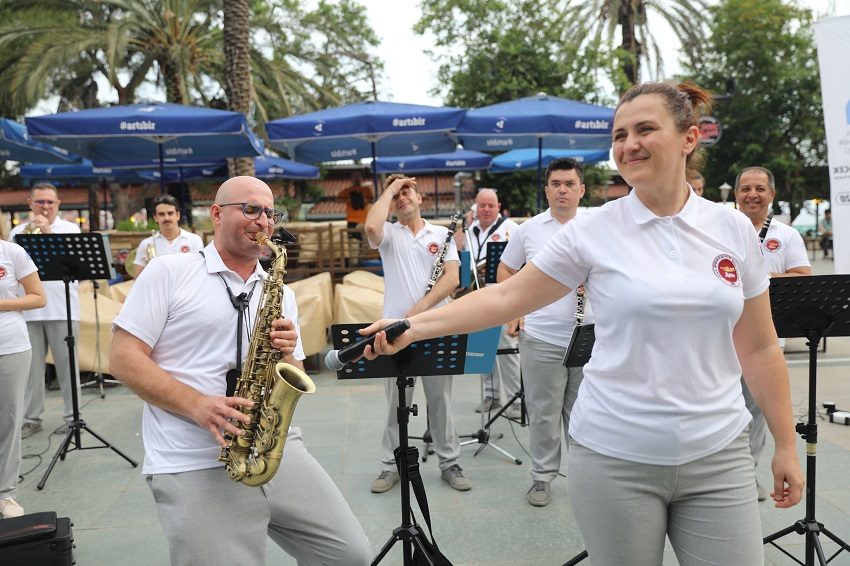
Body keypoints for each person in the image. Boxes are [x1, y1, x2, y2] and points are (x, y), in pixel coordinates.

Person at [362, 82, 804, 564]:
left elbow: (760, 347)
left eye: (645, 129)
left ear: (688, 139)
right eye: (619, 134)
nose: (628, 144)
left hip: (720, 454)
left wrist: (785, 442)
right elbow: (506, 295)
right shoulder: (594, 229)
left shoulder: (732, 227)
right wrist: (411, 326)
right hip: (616, 456)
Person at [109, 176, 372, 565]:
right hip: (192, 459)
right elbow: (122, 358)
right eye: (250, 209)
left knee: (351, 556)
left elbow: (293, 372)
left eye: (269, 212)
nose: (263, 221)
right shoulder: (169, 271)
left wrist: (285, 352)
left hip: (272, 448)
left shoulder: (280, 290)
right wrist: (198, 405)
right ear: (216, 214)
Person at [364, 174, 471, 494]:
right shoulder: (388, 234)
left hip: (435, 329)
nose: (401, 197)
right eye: (396, 194)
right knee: (396, 403)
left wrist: (415, 314)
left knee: (441, 402)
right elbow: (371, 227)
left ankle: (449, 460)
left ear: (421, 199)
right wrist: (391, 188)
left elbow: (452, 279)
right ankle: (390, 465)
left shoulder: (442, 233)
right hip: (394, 336)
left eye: (407, 191)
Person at [497, 158, 589, 507]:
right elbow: (505, 271)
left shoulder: (598, 225)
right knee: (543, 412)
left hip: (592, 337)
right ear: (547, 189)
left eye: (569, 183)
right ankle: (542, 477)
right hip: (542, 337)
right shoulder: (529, 229)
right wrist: (516, 310)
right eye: (555, 184)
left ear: (581, 190)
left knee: (586, 413)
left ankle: (585, 478)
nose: (562, 189)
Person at [734, 165, 811, 501]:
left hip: (764, 342)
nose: (752, 194)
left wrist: (758, 280)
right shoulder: (721, 230)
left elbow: (802, 276)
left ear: (772, 195)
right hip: (718, 341)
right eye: (746, 188)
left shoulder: (787, 234)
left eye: (760, 189)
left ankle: (748, 478)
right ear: (735, 194)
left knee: (755, 413)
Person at [9, 183, 82, 439]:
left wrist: (48, 232)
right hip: (27, 310)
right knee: (31, 371)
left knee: (67, 368)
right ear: (30, 203)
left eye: (50, 202)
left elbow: (74, 267)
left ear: (58, 204)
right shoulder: (18, 232)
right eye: (40, 202)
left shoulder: (71, 229)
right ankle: (32, 418)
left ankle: (73, 418)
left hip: (63, 307)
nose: (46, 207)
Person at [461, 188, 521, 418]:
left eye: (491, 205)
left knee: (508, 350)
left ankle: (515, 399)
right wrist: (463, 227)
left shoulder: (512, 229)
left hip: (504, 297)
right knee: (482, 349)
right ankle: (491, 396)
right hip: (476, 297)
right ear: (475, 208)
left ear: (498, 207)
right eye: (481, 206)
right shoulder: (468, 231)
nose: (486, 210)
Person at [0, 239, 46, 519]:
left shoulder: (11, 251)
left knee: (8, 421)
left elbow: (38, 296)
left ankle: (6, 494)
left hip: (10, 346)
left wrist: (2, 303)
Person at [132, 194, 204, 279]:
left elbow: (199, 272)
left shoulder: (194, 240)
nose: (166, 218)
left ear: (178, 215)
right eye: (161, 214)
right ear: (155, 217)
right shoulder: (146, 244)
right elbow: (138, 277)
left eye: (170, 213)